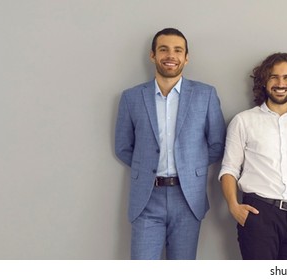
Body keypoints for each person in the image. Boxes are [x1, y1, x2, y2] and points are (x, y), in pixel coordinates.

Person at [114, 28, 226, 259]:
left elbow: (217, 143)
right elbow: (123, 147)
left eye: (178, 50)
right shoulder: (131, 97)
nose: (170, 55)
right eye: (163, 49)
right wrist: (146, 166)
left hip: (187, 198)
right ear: (152, 55)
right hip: (146, 198)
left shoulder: (205, 95)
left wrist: (190, 167)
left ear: (186, 57)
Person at [219, 52, 287, 260]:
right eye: (273, 77)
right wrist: (234, 207)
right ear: (264, 82)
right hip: (258, 215)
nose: (280, 83)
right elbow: (229, 169)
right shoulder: (244, 121)